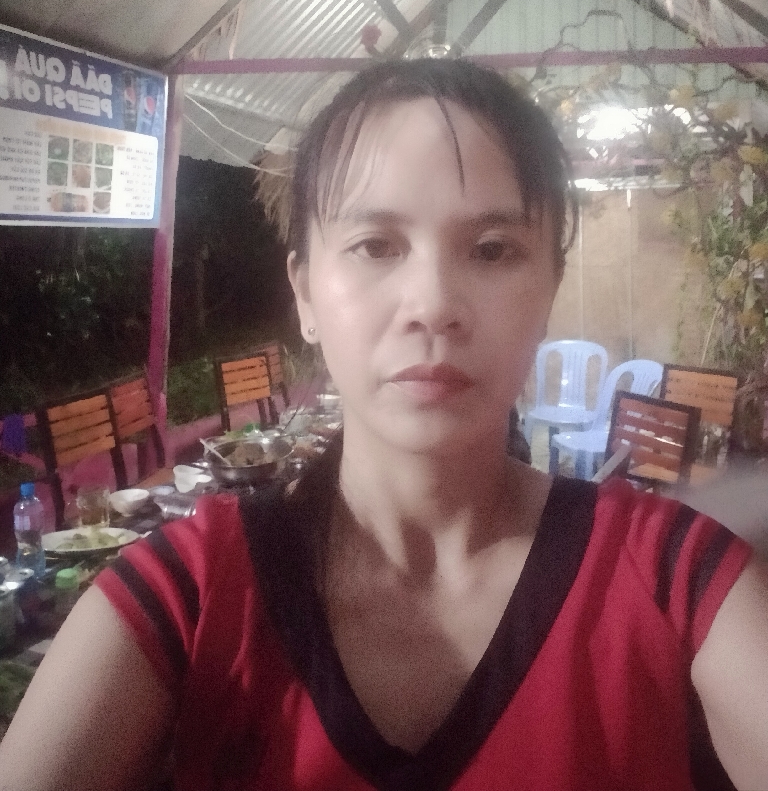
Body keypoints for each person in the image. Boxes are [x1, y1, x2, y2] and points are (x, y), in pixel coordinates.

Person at [1, 60, 767, 791]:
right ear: (305, 293)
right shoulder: (190, 597)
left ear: (548, 289)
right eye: (375, 245)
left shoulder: (676, 578)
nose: (432, 303)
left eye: (492, 249)